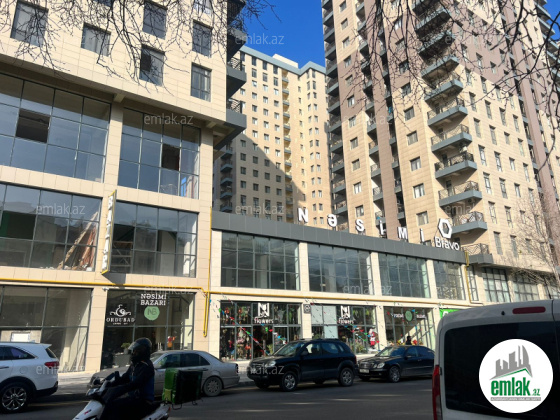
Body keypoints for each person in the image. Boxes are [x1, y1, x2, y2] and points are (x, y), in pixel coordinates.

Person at [99, 338, 156, 420]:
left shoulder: (147, 367)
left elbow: (135, 384)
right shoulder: (134, 365)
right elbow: (125, 378)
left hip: (143, 401)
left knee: (114, 407)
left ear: (143, 351)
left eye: (136, 351)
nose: (133, 353)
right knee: (110, 404)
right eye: (133, 351)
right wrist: (110, 384)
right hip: (134, 398)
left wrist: (118, 390)